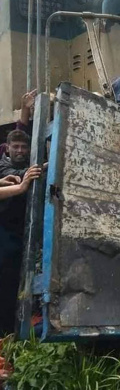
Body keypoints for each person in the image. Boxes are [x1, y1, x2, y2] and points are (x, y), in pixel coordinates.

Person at [0, 130, 42, 335]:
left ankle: (10, 332)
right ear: (7, 148)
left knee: (14, 282)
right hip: (4, 233)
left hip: (19, 235)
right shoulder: (3, 165)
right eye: (15, 146)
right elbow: (18, 175)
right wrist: (25, 181)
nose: (19, 150)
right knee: (6, 284)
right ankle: (6, 333)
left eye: (23, 147)